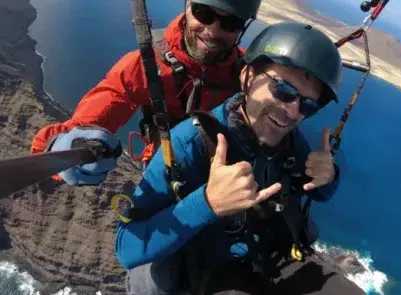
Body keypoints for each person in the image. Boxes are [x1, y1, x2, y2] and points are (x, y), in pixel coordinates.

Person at [115, 22, 364, 295]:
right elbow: (127, 246)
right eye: (283, 91)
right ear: (246, 76)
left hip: (274, 255)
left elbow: (318, 192)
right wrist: (207, 203)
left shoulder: (291, 144)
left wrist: (328, 177)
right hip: (212, 266)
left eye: (307, 104)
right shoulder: (189, 145)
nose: (292, 112)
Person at [29, 0, 262, 185]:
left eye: (231, 23)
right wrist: (59, 148)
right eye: (204, 13)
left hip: (229, 176)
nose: (212, 31)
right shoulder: (146, 67)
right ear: (188, 5)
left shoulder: (249, 75)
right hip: (166, 170)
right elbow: (99, 110)